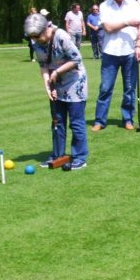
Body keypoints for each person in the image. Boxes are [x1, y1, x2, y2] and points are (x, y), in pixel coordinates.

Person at [24, 12, 88, 170]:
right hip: (55, 82)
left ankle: (79, 157)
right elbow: (43, 65)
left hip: (74, 82)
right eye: (33, 37)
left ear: (46, 29)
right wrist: (48, 86)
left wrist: (57, 72)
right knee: (57, 121)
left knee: (76, 122)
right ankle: (57, 155)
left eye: (38, 36)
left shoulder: (61, 36)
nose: (36, 40)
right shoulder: (36, 42)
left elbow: (76, 59)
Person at [92, 0, 140, 131]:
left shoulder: (134, 4)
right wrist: (127, 22)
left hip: (130, 51)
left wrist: (139, 45)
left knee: (129, 88)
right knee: (105, 88)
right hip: (110, 52)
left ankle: (128, 119)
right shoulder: (104, 6)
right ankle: (99, 121)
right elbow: (108, 28)